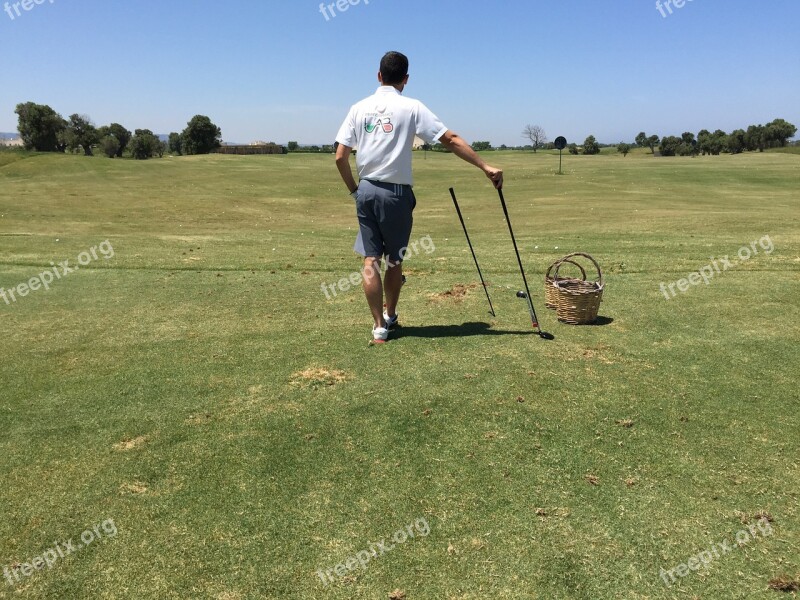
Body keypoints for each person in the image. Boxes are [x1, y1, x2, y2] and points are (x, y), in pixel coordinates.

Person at [335, 51, 503, 343]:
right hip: (396, 194)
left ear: (378, 76)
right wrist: (484, 166)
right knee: (394, 261)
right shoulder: (411, 107)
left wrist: (354, 190)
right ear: (406, 79)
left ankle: (378, 326)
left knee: (370, 260)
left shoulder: (358, 108)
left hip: (366, 190)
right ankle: (390, 315)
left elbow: (340, 156)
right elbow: (449, 139)